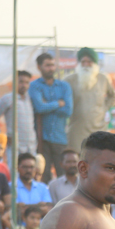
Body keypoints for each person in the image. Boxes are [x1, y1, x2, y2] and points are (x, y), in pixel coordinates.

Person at [30, 53, 73, 183]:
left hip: (60, 138)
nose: (51, 68)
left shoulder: (64, 86)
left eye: (53, 65)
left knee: (63, 175)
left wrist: (47, 105)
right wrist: (58, 103)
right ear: (39, 67)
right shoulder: (35, 86)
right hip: (42, 138)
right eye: (47, 65)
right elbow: (39, 108)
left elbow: (68, 111)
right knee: (43, 174)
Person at [64, 48, 115, 152]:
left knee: (98, 156)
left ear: (95, 63)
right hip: (77, 129)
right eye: (83, 62)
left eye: (89, 62)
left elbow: (112, 96)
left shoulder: (103, 79)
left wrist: (104, 108)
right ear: (79, 63)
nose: (86, 65)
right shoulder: (70, 80)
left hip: (99, 128)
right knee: (78, 157)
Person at [0, 70, 37, 167]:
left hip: (30, 145)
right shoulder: (8, 98)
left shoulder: (30, 99)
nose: (24, 85)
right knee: (14, 171)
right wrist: (4, 136)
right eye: (21, 82)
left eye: (27, 82)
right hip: (15, 146)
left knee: (30, 171)